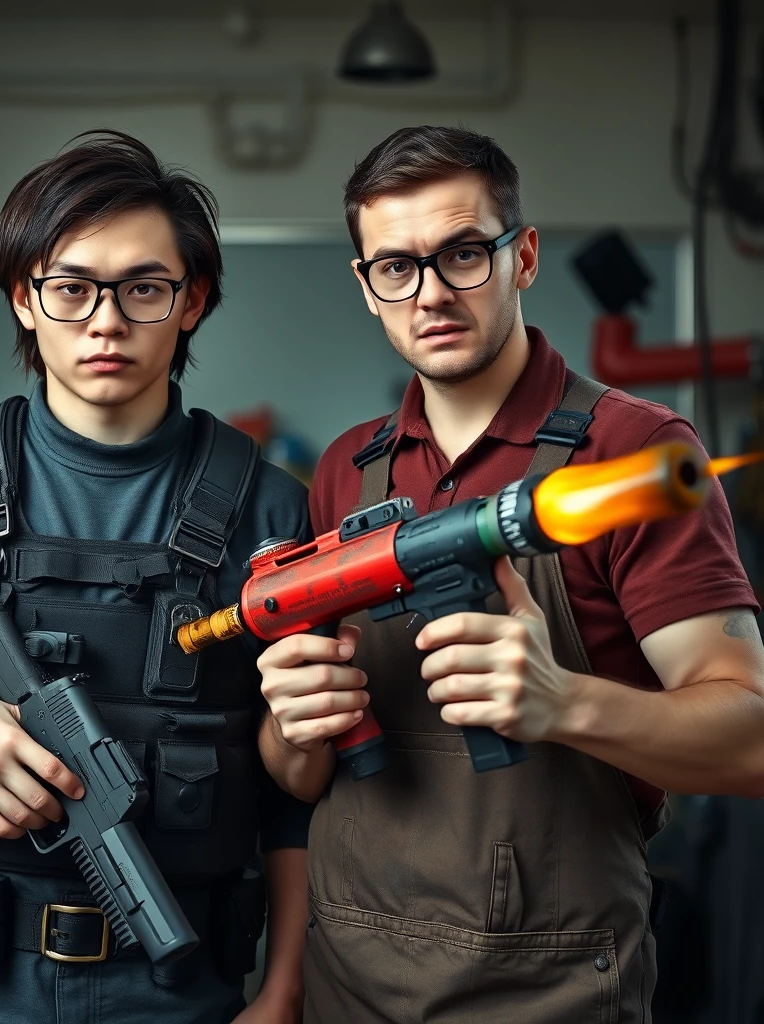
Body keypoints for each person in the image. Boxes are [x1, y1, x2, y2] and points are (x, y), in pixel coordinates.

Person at [0, 130, 310, 1024]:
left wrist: (286, 990)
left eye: (143, 288)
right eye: (71, 288)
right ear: (24, 301)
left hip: (179, 1000)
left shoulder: (269, 512)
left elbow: (296, 801)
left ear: (191, 302)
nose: (105, 321)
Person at [255, 125, 764, 1023]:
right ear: (367, 288)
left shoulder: (631, 453)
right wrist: (294, 726)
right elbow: (298, 778)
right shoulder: (346, 471)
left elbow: (753, 741)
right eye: (396, 267)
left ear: (523, 257)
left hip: (550, 992)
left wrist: (564, 702)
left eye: (463, 255)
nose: (431, 294)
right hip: (347, 986)